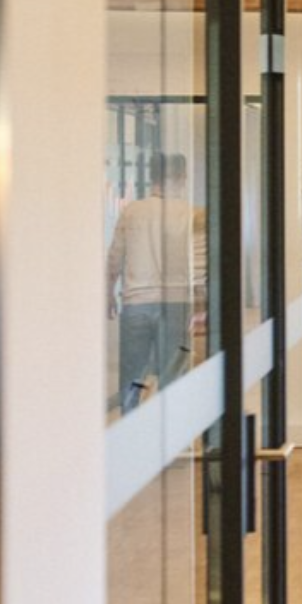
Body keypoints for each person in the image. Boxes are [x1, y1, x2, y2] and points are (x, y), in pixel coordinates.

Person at [107, 151, 202, 413]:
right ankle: (169, 425)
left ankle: (130, 425)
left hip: (136, 301)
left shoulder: (132, 212)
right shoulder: (188, 213)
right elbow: (199, 260)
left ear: (152, 177)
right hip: (176, 300)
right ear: (180, 178)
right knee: (173, 372)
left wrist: (108, 293)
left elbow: (115, 256)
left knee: (132, 373)